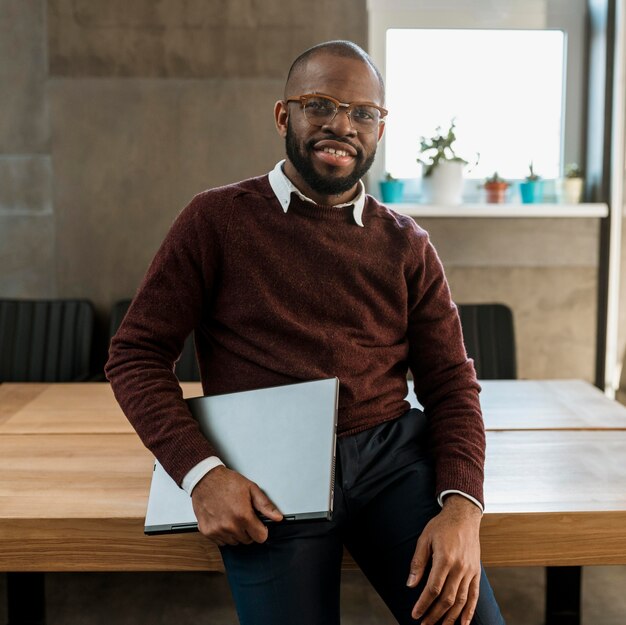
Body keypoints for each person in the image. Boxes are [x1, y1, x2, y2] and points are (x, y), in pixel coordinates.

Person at [106, 40, 505, 625]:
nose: (341, 125)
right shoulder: (215, 220)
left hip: (391, 459)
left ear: (380, 128)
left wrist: (464, 505)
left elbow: (450, 381)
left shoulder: (406, 243)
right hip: (267, 469)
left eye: (363, 113)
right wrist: (202, 474)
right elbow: (134, 355)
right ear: (283, 115)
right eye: (320, 105)